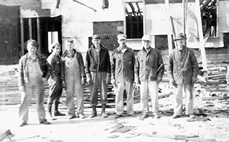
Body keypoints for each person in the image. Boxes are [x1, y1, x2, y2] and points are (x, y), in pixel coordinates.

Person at [18, 39, 51, 126]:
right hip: (27, 83)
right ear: (27, 48)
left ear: (36, 49)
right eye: (31, 47)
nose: (32, 49)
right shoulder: (23, 59)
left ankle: (42, 119)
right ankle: (23, 120)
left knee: (40, 102)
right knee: (24, 102)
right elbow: (20, 73)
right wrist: (21, 85)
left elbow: (49, 69)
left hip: (39, 83)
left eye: (34, 48)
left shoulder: (41, 58)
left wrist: (45, 78)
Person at [168, 33, 199, 119]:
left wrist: (194, 76)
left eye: (182, 40)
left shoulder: (189, 52)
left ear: (184, 41)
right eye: (178, 40)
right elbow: (169, 67)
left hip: (188, 77)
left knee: (189, 95)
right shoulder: (173, 53)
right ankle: (177, 112)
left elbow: (195, 65)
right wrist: (171, 78)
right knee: (177, 96)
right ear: (176, 42)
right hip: (177, 78)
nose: (180, 42)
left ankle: (189, 112)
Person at [135, 35, 164, 120]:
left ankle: (155, 112)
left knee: (154, 96)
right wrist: (136, 78)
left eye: (147, 41)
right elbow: (136, 67)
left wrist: (159, 77)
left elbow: (161, 66)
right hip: (143, 78)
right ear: (142, 42)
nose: (146, 43)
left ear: (150, 42)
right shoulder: (139, 54)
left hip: (153, 78)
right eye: (144, 41)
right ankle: (145, 112)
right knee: (143, 97)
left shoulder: (156, 53)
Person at [85, 34, 111, 118]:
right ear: (92, 41)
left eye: (98, 40)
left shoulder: (105, 51)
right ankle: (94, 111)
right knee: (93, 92)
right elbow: (87, 64)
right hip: (93, 73)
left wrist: (108, 75)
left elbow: (108, 64)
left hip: (103, 73)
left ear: (100, 41)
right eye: (95, 40)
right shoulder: (89, 51)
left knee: (104, 91)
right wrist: (88, 75)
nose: (96, 42)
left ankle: (103, 111)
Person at [110, 34, 135, 118]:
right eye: (121, 40)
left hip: (129, 76)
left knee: (129, 95)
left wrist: (134, 78)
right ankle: (119, 111)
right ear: (118, 41)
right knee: (119, 95)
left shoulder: (130, 51)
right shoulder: (115, 52)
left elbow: (134, 65)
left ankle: (130, 111)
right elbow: (112, 66)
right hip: (119, 77)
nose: (122, 42)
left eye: (124, 40)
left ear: (126, 41)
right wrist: (112, 78)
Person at [62, 39, 85, 119]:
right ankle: (71, 113)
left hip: (77, 77)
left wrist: (83, 76)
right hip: (68, 78)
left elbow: (82, 66)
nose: (69, 46)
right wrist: (63, 80)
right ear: (65, 46)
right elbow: (62, 69)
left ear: (73, 45)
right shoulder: (63, 56)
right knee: (69, 95)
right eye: (68, 45)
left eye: (71, 45)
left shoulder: (78, 55)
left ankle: (80, 112)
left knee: (79, 95)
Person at [47, 41, 65, 119]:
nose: (58, 50)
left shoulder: (58, 57)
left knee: (58, 95)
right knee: (52, 95)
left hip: (59, 77)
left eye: (59, 48)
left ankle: (56, 111)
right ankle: (49, 113)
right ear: (53, 49)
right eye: (56, 48)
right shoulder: (51, 58)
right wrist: (55, 80)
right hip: (54, 78)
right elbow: (49, 70)